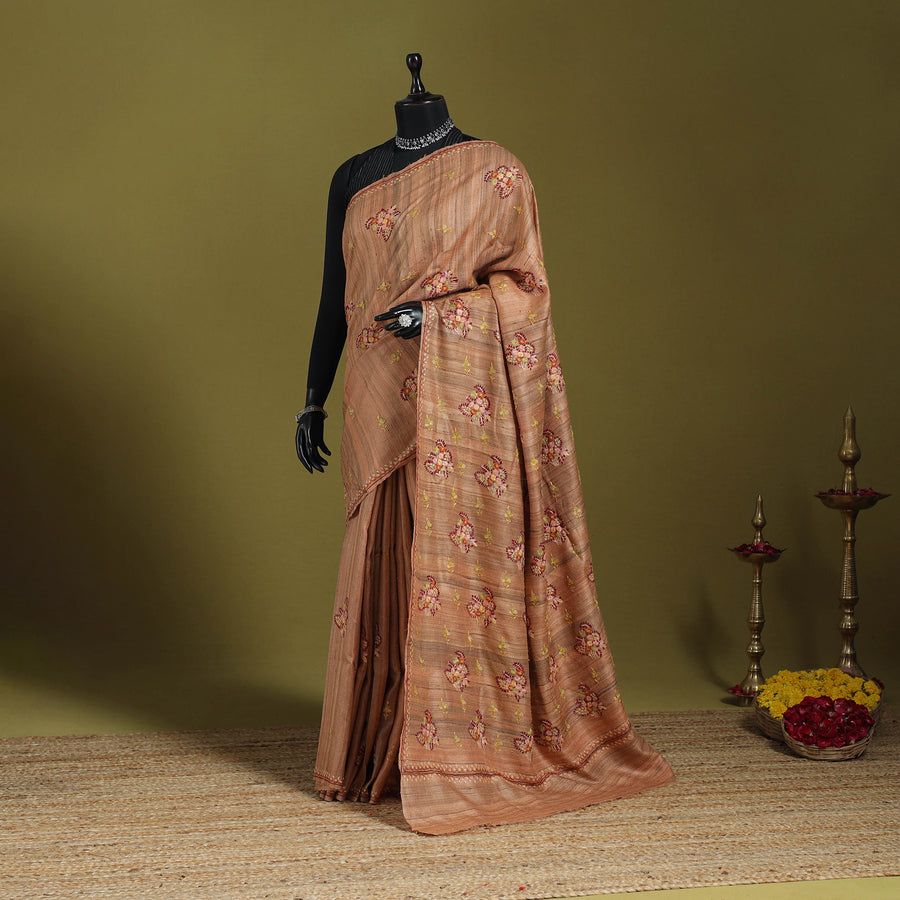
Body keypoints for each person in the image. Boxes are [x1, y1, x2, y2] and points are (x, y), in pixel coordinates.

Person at [297, 54, 673, 835]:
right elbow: (336, 298)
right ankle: (380, 750)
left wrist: (434, 317)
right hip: (377, 399)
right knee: (385, 564)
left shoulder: (497, 172)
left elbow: (527, 292)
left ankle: (458, 748)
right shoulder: (354, 177)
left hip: (459, 407)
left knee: (449, 571)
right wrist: (311, 400)